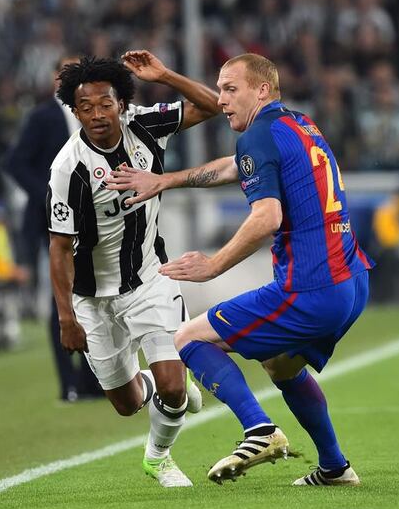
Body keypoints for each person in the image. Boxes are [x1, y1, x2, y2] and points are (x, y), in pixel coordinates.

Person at [107, 53, 374, 486]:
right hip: (352, 280)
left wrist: (213, 265)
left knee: (187, 338)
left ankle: (259, 429)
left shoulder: (257, 137)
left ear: (262, 89)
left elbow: (266, 217)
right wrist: (164, 179)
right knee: (281, 365)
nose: (221, 99)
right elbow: (234, 168)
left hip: (311, 287)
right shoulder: (297, 124)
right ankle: (334, 467)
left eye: (231, 89)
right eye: (220, 88)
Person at [48, 53, 219, 487]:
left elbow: (214, 105)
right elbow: (60, 247)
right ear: (74, 110)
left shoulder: (144, 124)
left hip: (149, 279)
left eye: (105, 104)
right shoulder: (69, 169)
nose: (97, 115)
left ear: (121, 103)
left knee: (175, 389)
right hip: (91, 298)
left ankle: (159, 457)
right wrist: (66, 318)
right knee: (126, 404)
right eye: (85, 107)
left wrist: (164, 75)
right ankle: (150, 381)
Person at [3, 56, 103, 403]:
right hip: (51, 225)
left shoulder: (98, 115)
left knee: (96, 295)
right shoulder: (44, 117)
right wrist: (48, 195)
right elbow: (14, 162)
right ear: (55, 80)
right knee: (59, 298)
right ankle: (69, 384)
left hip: (95, 221)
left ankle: (94, 380)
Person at [372, 185, 399, 302]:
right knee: (389, 261)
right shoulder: (389, 209)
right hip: (386, 250)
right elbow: (386, 238)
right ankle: (388, 297)